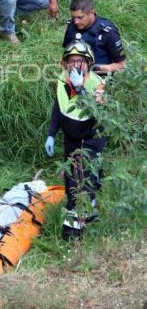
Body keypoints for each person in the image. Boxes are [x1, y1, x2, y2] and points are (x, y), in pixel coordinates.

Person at [44, 40, 106, 240]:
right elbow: (58, 107)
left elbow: (96, 112)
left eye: (79, 61)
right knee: (72, 183)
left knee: (85, 183)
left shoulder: (97, 85)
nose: (75, 65)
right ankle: (86, 215)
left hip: (91, 139)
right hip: (71, 139)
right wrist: (51, 134)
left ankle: (73, 235)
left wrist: (81, 89)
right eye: (71, 61)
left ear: (88, 63)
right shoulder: (63, 79)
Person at [63, 0, 125, 73]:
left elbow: (121, 65)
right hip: (74, 77)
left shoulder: (108, 32)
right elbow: (65, 56)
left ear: (92, 12)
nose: (76, 22)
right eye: (73, 17)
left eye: (80, 17)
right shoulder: (71, 25)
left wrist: (94, 68)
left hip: (100, 79)